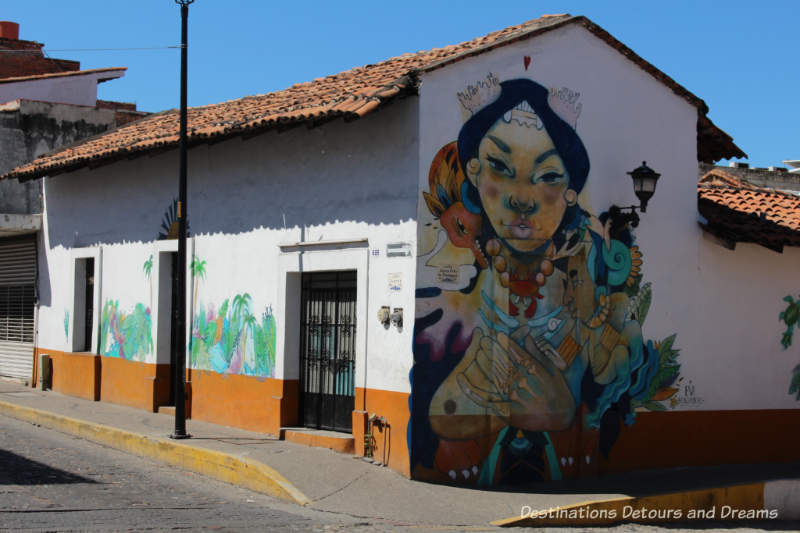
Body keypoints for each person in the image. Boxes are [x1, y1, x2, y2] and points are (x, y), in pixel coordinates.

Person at [412, 78, 661, 485]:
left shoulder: (580, 259)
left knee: (553, 409)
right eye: (500, 168)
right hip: (489, 376)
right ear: (475, 173)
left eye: (547, 176)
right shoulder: (476, 256)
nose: (522, 198)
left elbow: (595, 349)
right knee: (451, 412)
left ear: (569, 193)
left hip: (552, 382)